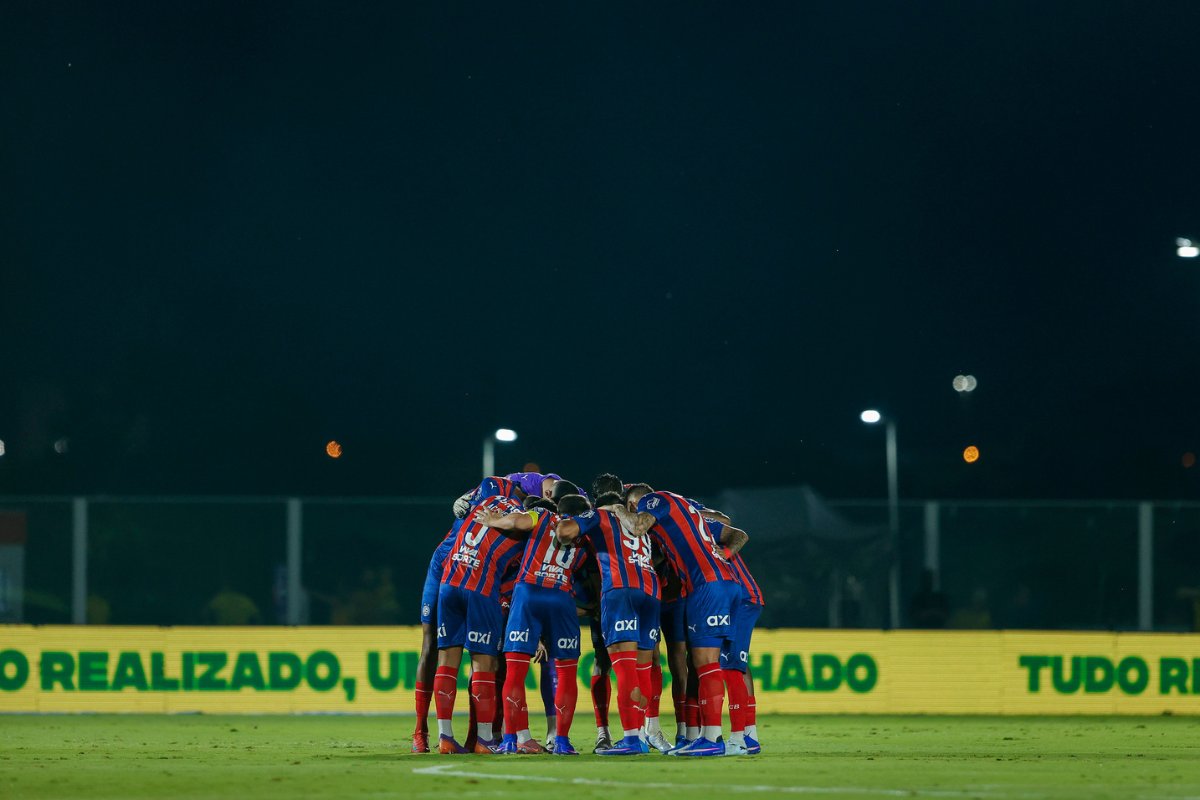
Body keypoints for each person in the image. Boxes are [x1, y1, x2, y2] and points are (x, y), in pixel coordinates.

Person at [615, 484, 748, 757]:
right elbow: (735, 532)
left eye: (635, 504)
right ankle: (709, 737)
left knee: (705, 663)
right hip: (724, 582)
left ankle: (712, 738)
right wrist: (723, 557)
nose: (636, 509)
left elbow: (638, 526)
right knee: (706, 663)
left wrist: (617, 509)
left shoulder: (656, 500)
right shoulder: (691, 513)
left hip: (707, 586)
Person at [412, 475, 526, 753]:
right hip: (480, 585)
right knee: (483, 661)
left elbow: (463, 506)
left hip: (450, 577)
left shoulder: (482, 501)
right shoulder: (525, 523)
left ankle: (445, 737)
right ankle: (484, 739)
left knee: (445, 657)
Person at [475, 492, 591, 756]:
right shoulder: (586, 536)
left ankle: (509, 739)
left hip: (528, 593)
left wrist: (495, 521)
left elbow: (519, 522)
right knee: (566, 673)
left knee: (515, 672)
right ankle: (561, 740)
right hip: (561, 597)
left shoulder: (544, 515)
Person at [555, 484, 662, 756]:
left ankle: (630, 739)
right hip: (651, 591)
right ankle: (640, 733)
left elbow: (565, 533)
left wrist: (571, 525)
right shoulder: (638, 525)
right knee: (643, 669)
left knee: (623, 670)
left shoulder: (600, 515)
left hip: (620, 591)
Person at [716, 525, 764, 755]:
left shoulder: (701, 525)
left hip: (742, 599)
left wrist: (723, 556)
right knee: (738, 664)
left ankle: (737, 739)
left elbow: (740, 532)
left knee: (731, 665)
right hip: (737, 600)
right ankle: (749, 734)